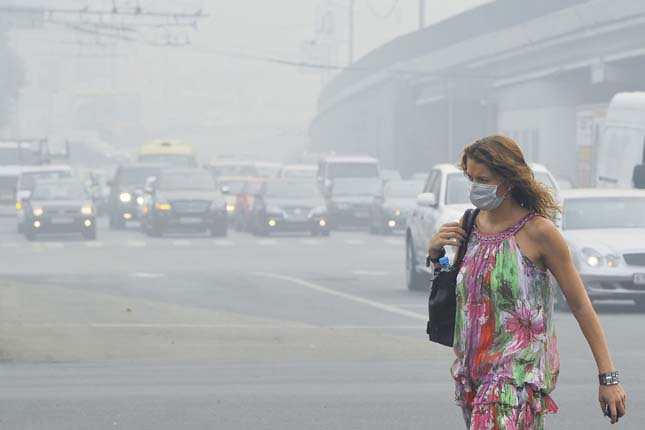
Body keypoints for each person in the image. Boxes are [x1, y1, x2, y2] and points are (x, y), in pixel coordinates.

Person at [427, 135, 627, 429]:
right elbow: (462, 291)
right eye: (471, 178)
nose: (475, 187)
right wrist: (437, 257)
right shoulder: (469, 224)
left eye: (483, 179)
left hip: (517, 376)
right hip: (473, 373)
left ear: (508, 179)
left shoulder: (540, 233)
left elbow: (581, 305)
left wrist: (608, 378)